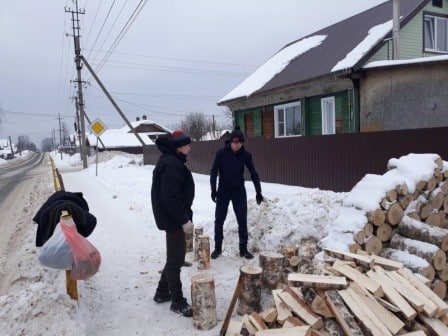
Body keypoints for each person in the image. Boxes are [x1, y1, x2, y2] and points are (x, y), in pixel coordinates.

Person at [151, 130, 194, 318]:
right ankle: (177, 301)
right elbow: (170, 197)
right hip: (174, 220)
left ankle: (162, 293)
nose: (189, 148)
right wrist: (183, 220)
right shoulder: (172, 164)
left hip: (172, 218)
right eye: (186, 145)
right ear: (178, 147)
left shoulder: (169, 160)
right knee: (175, 262)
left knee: (173, 258)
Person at [210, 126, 264, 260]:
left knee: (242, 220)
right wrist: (213, 189)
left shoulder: (245, 155)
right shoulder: (221, 153)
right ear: (230, 141)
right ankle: (217, 247)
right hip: (223, 190)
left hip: (239, 191)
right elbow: (213, 171)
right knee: (219, 220)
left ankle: (243, 249)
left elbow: (253, 173)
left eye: (240, 143)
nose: (237, 145)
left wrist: (258, 191)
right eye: (235, 142)